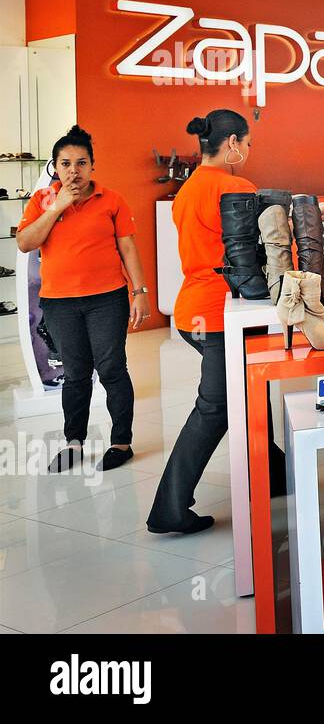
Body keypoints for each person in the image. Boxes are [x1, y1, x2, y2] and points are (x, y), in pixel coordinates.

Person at [146, 109, 256, 534]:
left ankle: (274, 476)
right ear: (231, 145)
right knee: (215, 408)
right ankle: (169, 508)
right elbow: (252, 252)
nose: (246, 151)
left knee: (241, 399)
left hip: (193, 309)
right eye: (246, 143)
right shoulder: (235, 187)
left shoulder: (188, 189)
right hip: (221, 312)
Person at [16, 125, 148, 473]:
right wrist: (57, 207)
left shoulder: (112, 199)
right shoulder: (42, 201)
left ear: (92, 166)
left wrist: (140, 292)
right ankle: (73, 442)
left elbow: (128, 247)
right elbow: (25, 242)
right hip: (60, 303)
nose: (73, 170)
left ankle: (121, 442)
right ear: (55, 168)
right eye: (65, 163)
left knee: (111, 369)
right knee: (75, 375)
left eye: (81, 162)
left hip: (108, 299)